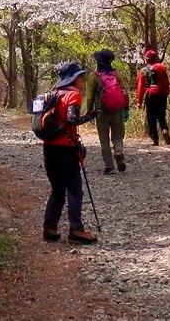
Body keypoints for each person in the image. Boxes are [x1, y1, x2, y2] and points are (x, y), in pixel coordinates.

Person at [39, 60, 101, 244]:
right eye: (81, 77)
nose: (83, 80)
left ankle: (50, 228)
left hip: (49, 147)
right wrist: (90, 116)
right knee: (75, 190)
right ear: (73, 79)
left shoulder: (52, 94)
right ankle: (76, 230)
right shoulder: (73, 96)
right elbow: (72, 119)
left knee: (57, 189)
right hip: (66, 148)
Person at [85, 49, 129, 174]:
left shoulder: (94, 76)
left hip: (101, 111)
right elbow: (124, 92)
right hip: (117, 110)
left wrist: (90, 112)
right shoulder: (116, 74)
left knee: (104, 139)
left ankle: (109, 167)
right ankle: (119, 152)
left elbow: (89, 96)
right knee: (117, 136)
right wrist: (126, 108)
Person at [135, 49, 170, 146]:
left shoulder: (143, 71)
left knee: (151, 118)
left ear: (146, 59)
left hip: (150, 96)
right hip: (161, 95)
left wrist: (139, 101)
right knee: (161, 116)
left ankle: (155, 139)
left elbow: (140, 87)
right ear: (156, 58)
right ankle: (164, 129)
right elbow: (166, 83)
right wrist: (166, 93)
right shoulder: (162, 68)